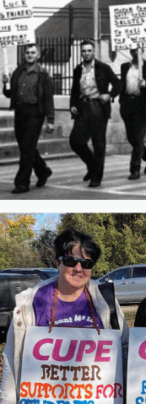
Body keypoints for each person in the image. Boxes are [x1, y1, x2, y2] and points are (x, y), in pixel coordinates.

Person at [0, 228, 128, 404]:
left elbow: (124, 349)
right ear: (57, 263)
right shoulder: (31, 302)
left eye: (86, 263)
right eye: (70, 261)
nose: (78, 268)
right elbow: (11, 361)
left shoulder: (105, 301)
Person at [3, 43, 55, 193]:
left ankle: (22, 183)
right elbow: (9, 94)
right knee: (26, 147)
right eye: (27, 53)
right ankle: (43, 171)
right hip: (20, 112)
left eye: (33, 53)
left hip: (35, 114)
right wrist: (5, 83)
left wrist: (50, 120)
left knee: (27, 148)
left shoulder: (43, 75)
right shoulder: (18, 72)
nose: (30, 55)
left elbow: (48, 100)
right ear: (24, 55)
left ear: (38, 55)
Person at [69, 39, 117, 188]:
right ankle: (92, 166)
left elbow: (118, 84)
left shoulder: (103, 68)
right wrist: (72, 105)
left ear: (94, 51)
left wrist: (109, 95)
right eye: (84, 51)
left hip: (98, 106)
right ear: (81, 52)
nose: (86, 53)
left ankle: (96, 177)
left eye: (89, 50)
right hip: (83, 106)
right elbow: (74, 89)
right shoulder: (78, 69)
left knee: (98, 143)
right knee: (76, 141)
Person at [118, 45, 146, 180]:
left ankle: (135, 169)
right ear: (130, 52)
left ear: (142, 51)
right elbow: (122, 85)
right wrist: (121, 100)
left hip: (142, 107)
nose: (135, 52)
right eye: (133, 50)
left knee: (139, 138)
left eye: (138, 49)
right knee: (132, 138)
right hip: (128, 106)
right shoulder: (125, 67)